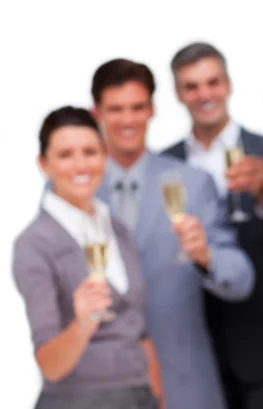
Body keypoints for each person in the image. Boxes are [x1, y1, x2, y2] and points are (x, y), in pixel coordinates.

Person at [91, 58, 255, 409]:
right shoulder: (74, 190)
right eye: (115, 109)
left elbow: (241, 278)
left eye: (137, 107)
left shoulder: (192, 183)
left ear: (152, 109)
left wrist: (206, 257)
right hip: (98, 383)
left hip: (183, 383)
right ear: (97, 113)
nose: (127, 119)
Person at [162, 42, 263, 409]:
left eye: (212, 82)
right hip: (188, 337)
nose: (204, 94)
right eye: (192, 86)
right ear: (178, 93)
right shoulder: (165, 164)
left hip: (258, 336)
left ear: (228, 84)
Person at [13, 106, 162, 409]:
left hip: (139, 396)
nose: (80, 165)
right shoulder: (35, 244)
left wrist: (158, 400)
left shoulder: (116, 229)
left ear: (105, 156)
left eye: (90, 152)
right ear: (44, 164)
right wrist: (82, 324)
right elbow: (50, 365)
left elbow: (140, 330)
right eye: (65, 155)